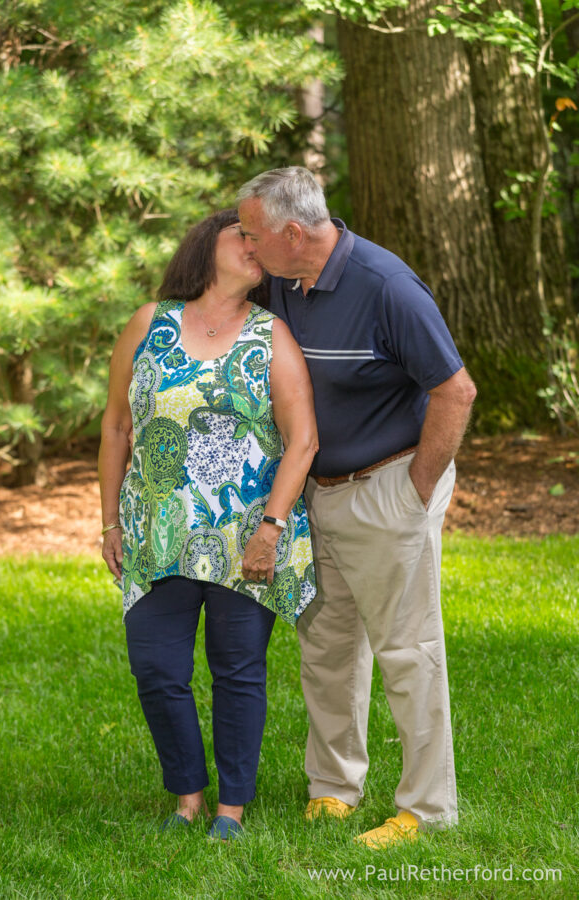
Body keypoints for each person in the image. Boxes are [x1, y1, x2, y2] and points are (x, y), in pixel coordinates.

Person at [237, 167, 477, 848]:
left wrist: (415, 489)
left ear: (291, 231)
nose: (247, 248)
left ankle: (427, 809)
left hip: (388, 490)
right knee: (327, 646)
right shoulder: (282, 281)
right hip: (317, 492)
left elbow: (456, 391)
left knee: (407, 649)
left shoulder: (386, 285)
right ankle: (334, 789)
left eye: (254, 234)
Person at [98, 208, 318, 841]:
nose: (256, 247)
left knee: (237, 669)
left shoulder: (271, 334)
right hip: (154, 533)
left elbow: (302, 441)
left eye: (259, 240)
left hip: (245, 535)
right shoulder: (150, 323)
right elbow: (116, 425)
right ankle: (187, 794)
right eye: (241, 237)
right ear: (205, 248)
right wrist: (109, 521)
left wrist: (271, 529)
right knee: (158, 670)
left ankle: (232, 808)